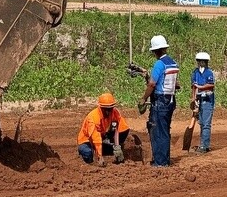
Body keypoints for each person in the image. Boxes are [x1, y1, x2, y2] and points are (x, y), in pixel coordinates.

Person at [138, 34, 179, 167]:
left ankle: (160, 162)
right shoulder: (173, 63)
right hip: (171, 100)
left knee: (157, 131)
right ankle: (164, 160)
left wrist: (144, 98)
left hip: (160, 101)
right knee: (165, 130)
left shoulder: (159, 64)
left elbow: (152, 84)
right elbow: (176, 84)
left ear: (155, 51)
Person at [77, 92, 131, 166]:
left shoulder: (114, 112)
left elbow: (116, 129)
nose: (108, 112)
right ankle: (90, 163)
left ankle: (109, 150)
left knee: (124, 129)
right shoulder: (93, 118)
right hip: (87, 140)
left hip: (102, 136)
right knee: (87, 152)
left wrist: (117, 147)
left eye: (110, 109)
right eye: (106, 109)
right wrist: (99, 156)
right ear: (101, 107)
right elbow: (96, 139)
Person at [190, 51, 216, 153]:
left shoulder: (209, 73)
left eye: (203, 61)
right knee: (201, 122)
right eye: (199, 61)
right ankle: (203, 144)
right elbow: (193, 86)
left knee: (206, 124)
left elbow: (211, 85)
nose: (201, 63)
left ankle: (204, 146)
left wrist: (200, 87)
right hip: (199, 100)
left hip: (207, 100)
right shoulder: (195, 72)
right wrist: (193, 98)